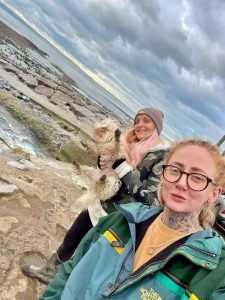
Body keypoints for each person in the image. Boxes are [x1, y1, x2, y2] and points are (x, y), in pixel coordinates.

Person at [38, 138, 225, 300]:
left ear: (214, 193)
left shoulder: (215, 272)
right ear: (163, 176)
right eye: (175, 170)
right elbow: (70, 271)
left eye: (198, 177)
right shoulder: (118, 221)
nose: (181, 183)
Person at [22, 107, 169, 283]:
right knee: (71, 238)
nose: (139, 125)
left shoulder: (162, 157)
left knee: (88, 255)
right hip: (98, 201)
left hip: (118, 217)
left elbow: (152, 201)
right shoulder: (127, 141)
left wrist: (123, 168)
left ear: (157, 127)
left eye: (146, 121)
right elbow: (108, 171)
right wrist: (101, 163)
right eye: (137, 121)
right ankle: (48, 270)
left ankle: (67, 285)